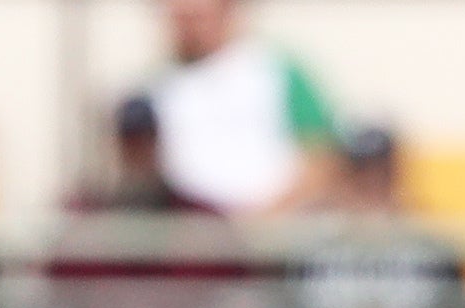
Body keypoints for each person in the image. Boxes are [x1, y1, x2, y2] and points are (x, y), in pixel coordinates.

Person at [140, 0, 348, 216]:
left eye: (196, 16)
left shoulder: (274, 70)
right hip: (188, 232)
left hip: (275, 234)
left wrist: (265, 218)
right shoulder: (154, 85)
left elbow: (323, 157)